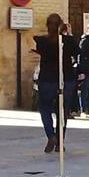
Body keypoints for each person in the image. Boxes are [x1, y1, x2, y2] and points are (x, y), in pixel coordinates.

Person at [32, 14, 79, 153]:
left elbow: (39, 47)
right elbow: (78, 52)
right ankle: (60, 143)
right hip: (66, 79)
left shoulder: (41, 41)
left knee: (45, 108)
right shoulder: (69, 41)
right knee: (62, 111)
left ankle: (51, 135)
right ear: (61, 25)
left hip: (47, 79)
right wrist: (69, 35)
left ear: (47, 26)